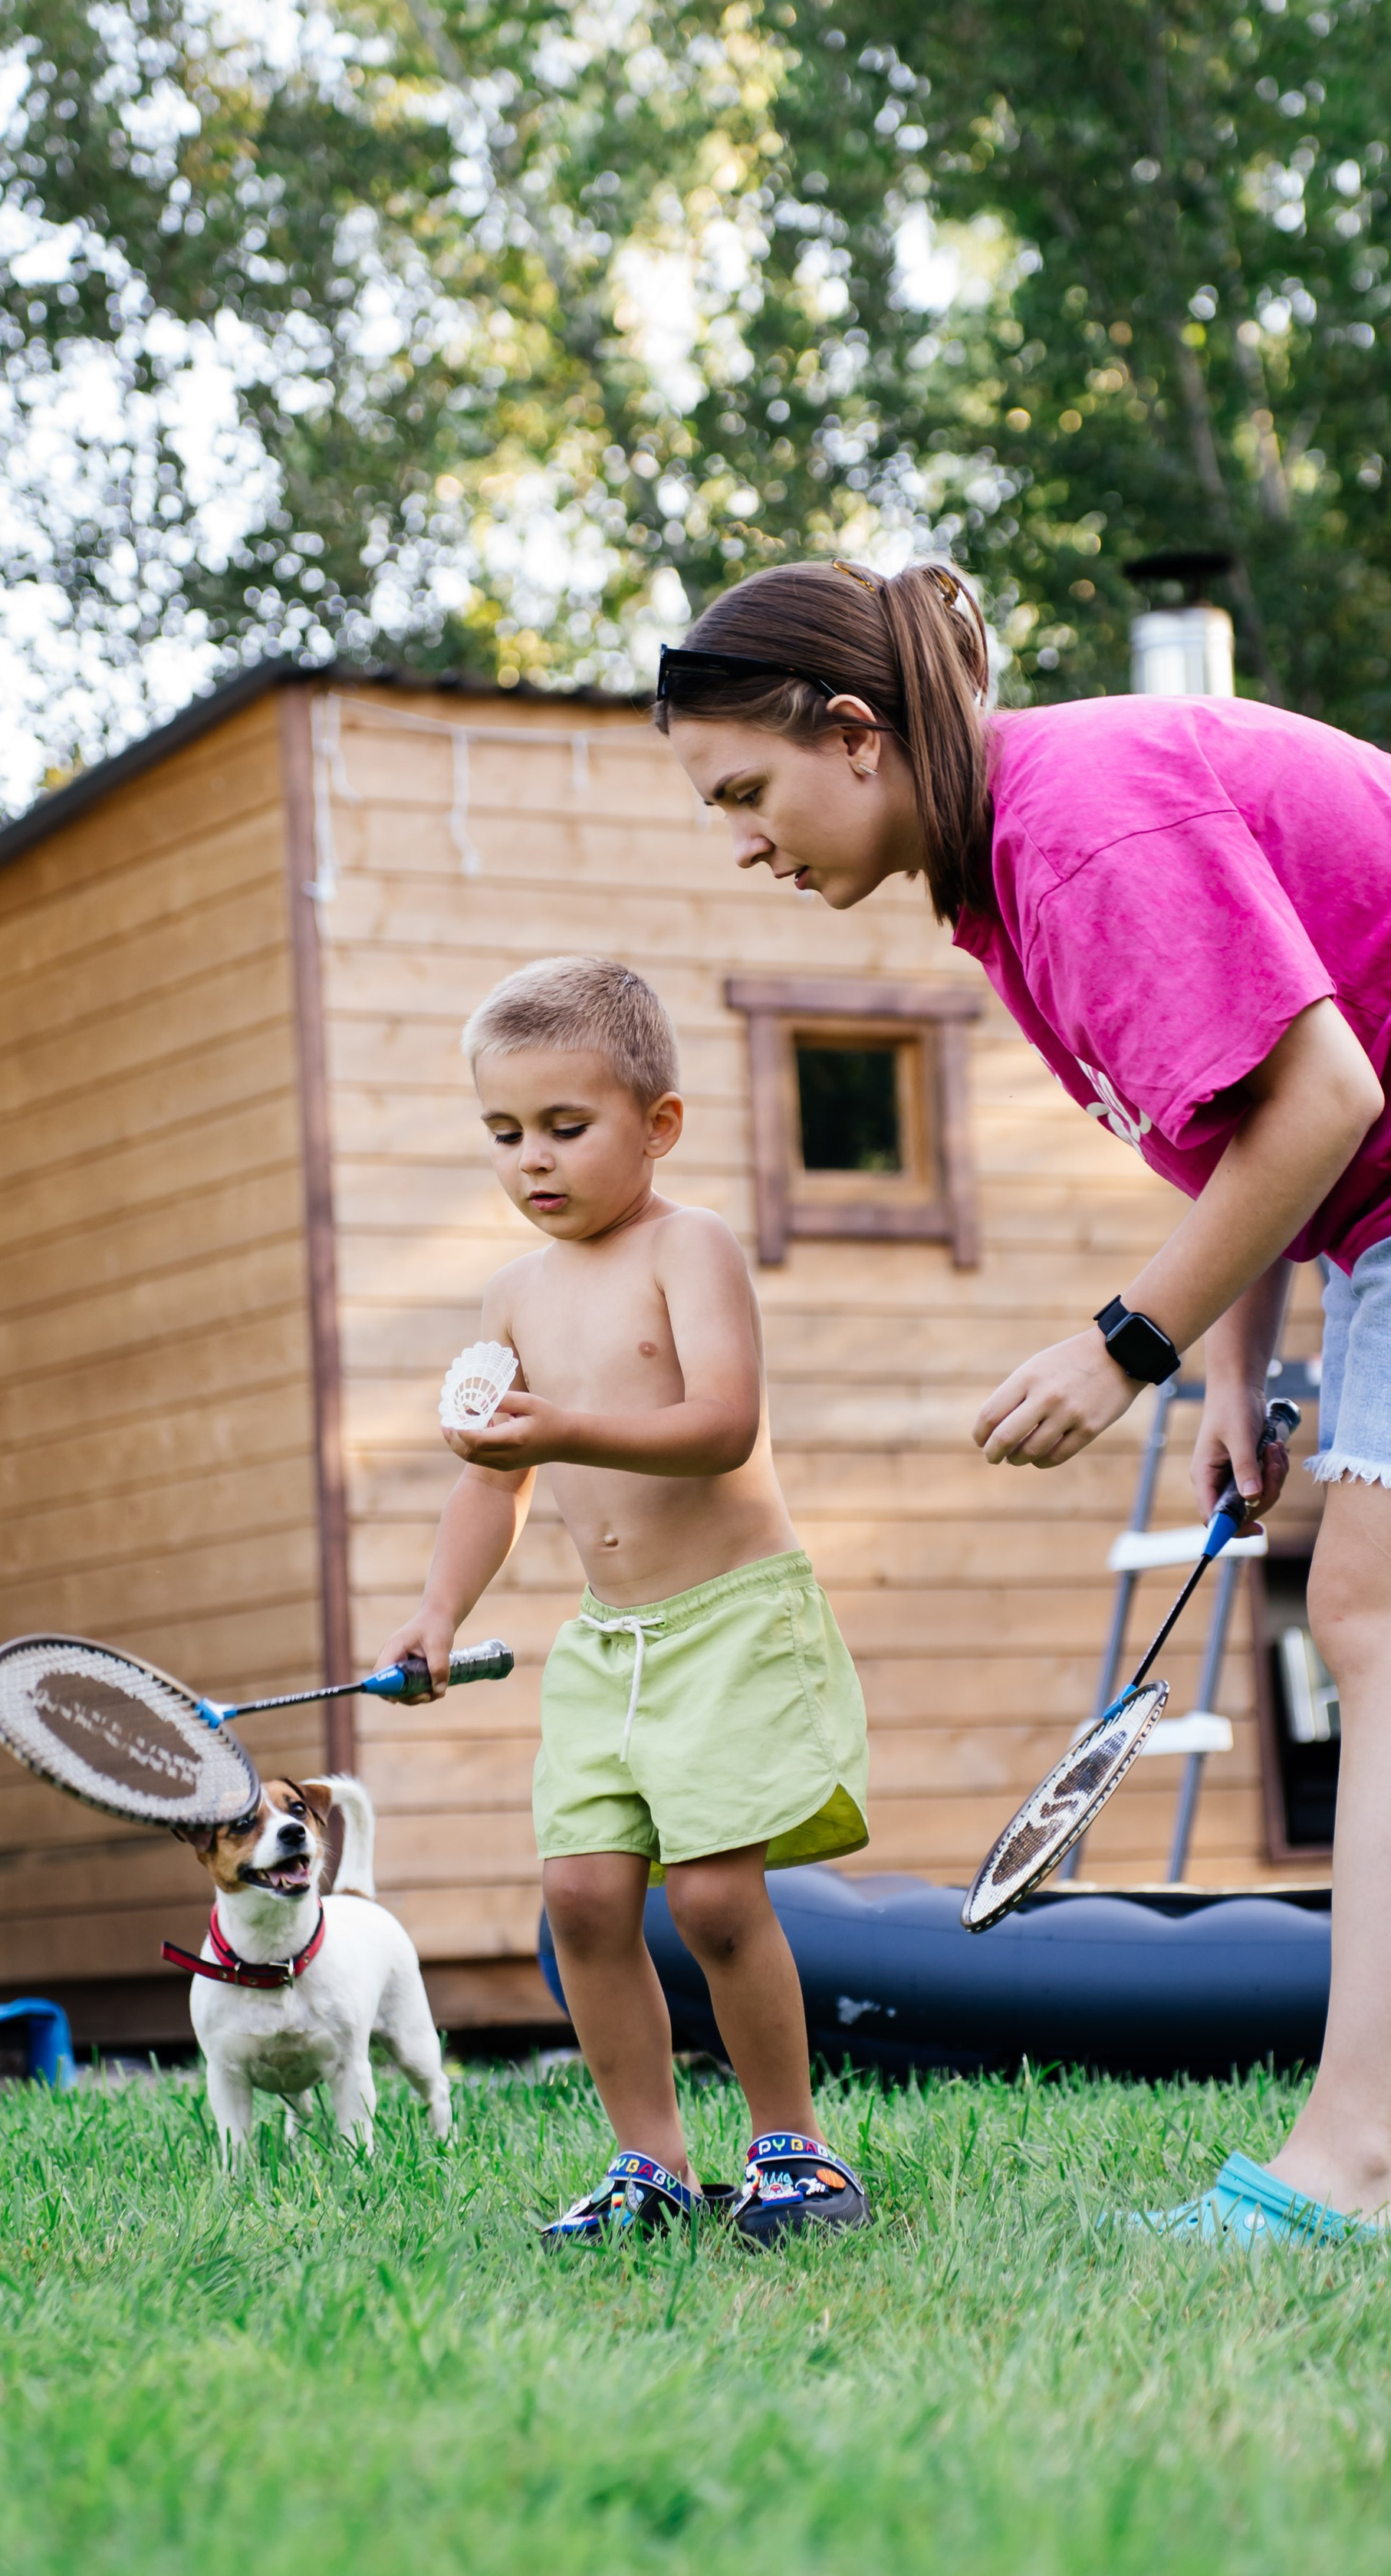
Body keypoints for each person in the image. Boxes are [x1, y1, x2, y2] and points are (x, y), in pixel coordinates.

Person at [656, 560, 1391, 2244]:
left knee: (1380, 1615)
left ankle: (1358, 2157)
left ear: (851, 735)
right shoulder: (1001, 870)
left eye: (742, 792)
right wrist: (1237, 1367)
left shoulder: (1076, 827)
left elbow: (1327, 1091)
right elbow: (1249, 1122)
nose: (739, 840)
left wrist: (1126, 1345)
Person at [376, 953, 872, 2249]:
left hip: (730, 1621)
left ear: (658, 1127)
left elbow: (719, 1427)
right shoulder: (511, 1295)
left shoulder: (688, 1245)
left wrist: (566, 1423)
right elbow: (498, 1480)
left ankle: (794, 2153)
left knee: (712, 1899)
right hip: (609, 1644)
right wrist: (436, 1610)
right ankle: (651, 2163)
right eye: (503, 1133)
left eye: (564, 1126)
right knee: (585, 1896)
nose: (531, 1161)